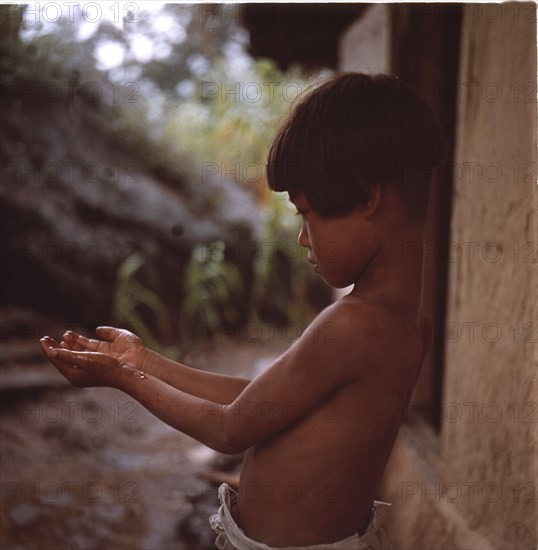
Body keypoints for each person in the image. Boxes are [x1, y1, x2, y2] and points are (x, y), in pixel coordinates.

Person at [40, 72, 447, 549]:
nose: (301, 236)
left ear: (369, 198)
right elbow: (260, 402)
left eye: (307, 212)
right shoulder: (406, 328)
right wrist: (144, 361)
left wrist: (123, 378)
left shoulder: (355, 323)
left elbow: (230, 428)